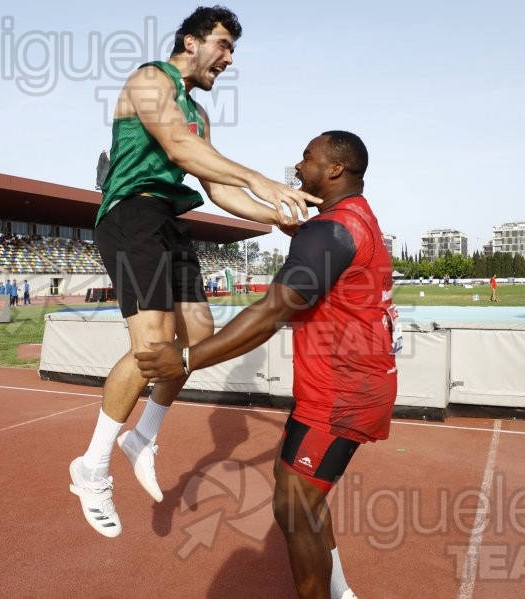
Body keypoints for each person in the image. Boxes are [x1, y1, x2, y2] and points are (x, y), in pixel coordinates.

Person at [69, 5, 318, 542]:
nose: (228, 59)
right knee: (152, 346)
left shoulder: (200, 115)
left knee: (198, 337)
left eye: (232, 51)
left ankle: (143, 437)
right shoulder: (149, 79)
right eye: (223, 46)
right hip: (132, 215)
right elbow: (180, 149)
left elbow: (217, 187)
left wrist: (277, 215)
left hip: (171, 224)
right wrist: (264, 180)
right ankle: (91, 466)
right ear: (191, 41)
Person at [135, 131, 392, 599]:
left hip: (343, 394)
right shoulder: (352, 220)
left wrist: (188, 359)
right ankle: (342, 594)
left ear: (335, 169)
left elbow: (271, 312)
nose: (298, 166)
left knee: (294, 506)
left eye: (307, 158)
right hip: (334, 389)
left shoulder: (331, 230)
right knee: (297, 493)